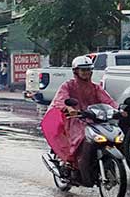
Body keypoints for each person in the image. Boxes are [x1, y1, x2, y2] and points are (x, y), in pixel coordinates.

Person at [45, 55, 119, 186]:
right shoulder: (68, 85)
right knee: (80, 137)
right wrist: (69, 108)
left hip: (94, 119)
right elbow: (61, 99)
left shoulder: (95, 87)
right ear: (76, 71)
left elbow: (107, 100)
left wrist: (118, 110)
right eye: (83, 70)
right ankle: (72, 164)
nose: (86, 72)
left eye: (88, 69)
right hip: (75, 119)